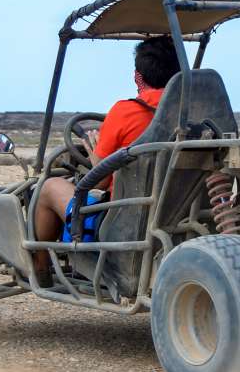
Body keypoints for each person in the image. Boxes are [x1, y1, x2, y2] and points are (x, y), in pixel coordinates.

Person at [33, 35, 181, 262]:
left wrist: (94, 152)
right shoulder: (191, 111)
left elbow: (100, 182)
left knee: (49, 187)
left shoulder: (125, 111)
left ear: (138, 76)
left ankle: (41, 267)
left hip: (125, 216)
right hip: (179, 209)